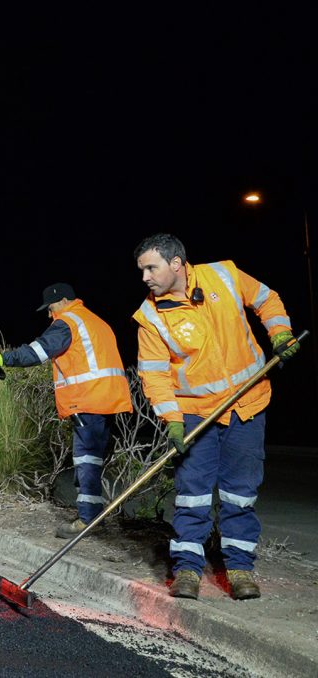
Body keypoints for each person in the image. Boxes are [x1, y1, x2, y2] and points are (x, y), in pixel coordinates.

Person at [132, 233, 299, 601]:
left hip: (247, 404)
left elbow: (267, 300)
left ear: (176, 263)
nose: (145, 276)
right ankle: (187, 571)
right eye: (142, 269)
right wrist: (172, 419)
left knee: (241, 492)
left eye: (150, 267)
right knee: (193, 495)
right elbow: (155, 376)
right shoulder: (150, 317)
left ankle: (239, 568)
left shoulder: (224, 275)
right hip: (196, 414)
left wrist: (281, 332)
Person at [0, 283, 133, 538]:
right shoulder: (96, 321)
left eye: (49, 309)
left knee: (86, 459)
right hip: (108, 399)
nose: (49, 315)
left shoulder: (67, 322)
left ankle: (88, 520)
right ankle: (93, 515)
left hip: (88, 399)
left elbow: (37, 352)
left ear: (61, 301)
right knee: (92, 459)